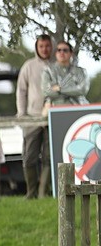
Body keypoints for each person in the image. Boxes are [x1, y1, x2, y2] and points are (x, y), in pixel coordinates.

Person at [16, 33, 52, 198]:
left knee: (48, 157)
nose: (45, 49)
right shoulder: (29, 66)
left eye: (47, 46)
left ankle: (43, 192)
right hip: (32, 116)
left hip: (52, 117)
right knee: (30, 157)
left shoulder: (57, 65)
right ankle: (30, 192)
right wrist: (22, 113)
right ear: (37, 48)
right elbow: (21, 91)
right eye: (41, 46)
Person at [42, 40, 89, 106]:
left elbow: (83, 89)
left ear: (71, 53)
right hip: (56, 107)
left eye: (65, 50)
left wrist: (60, 89)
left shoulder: (80, 71)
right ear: (55, 53)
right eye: (59, 50)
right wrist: (73, 90)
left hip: (78, 105)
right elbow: (46, 91)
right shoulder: (48, 71)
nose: (62, 52)